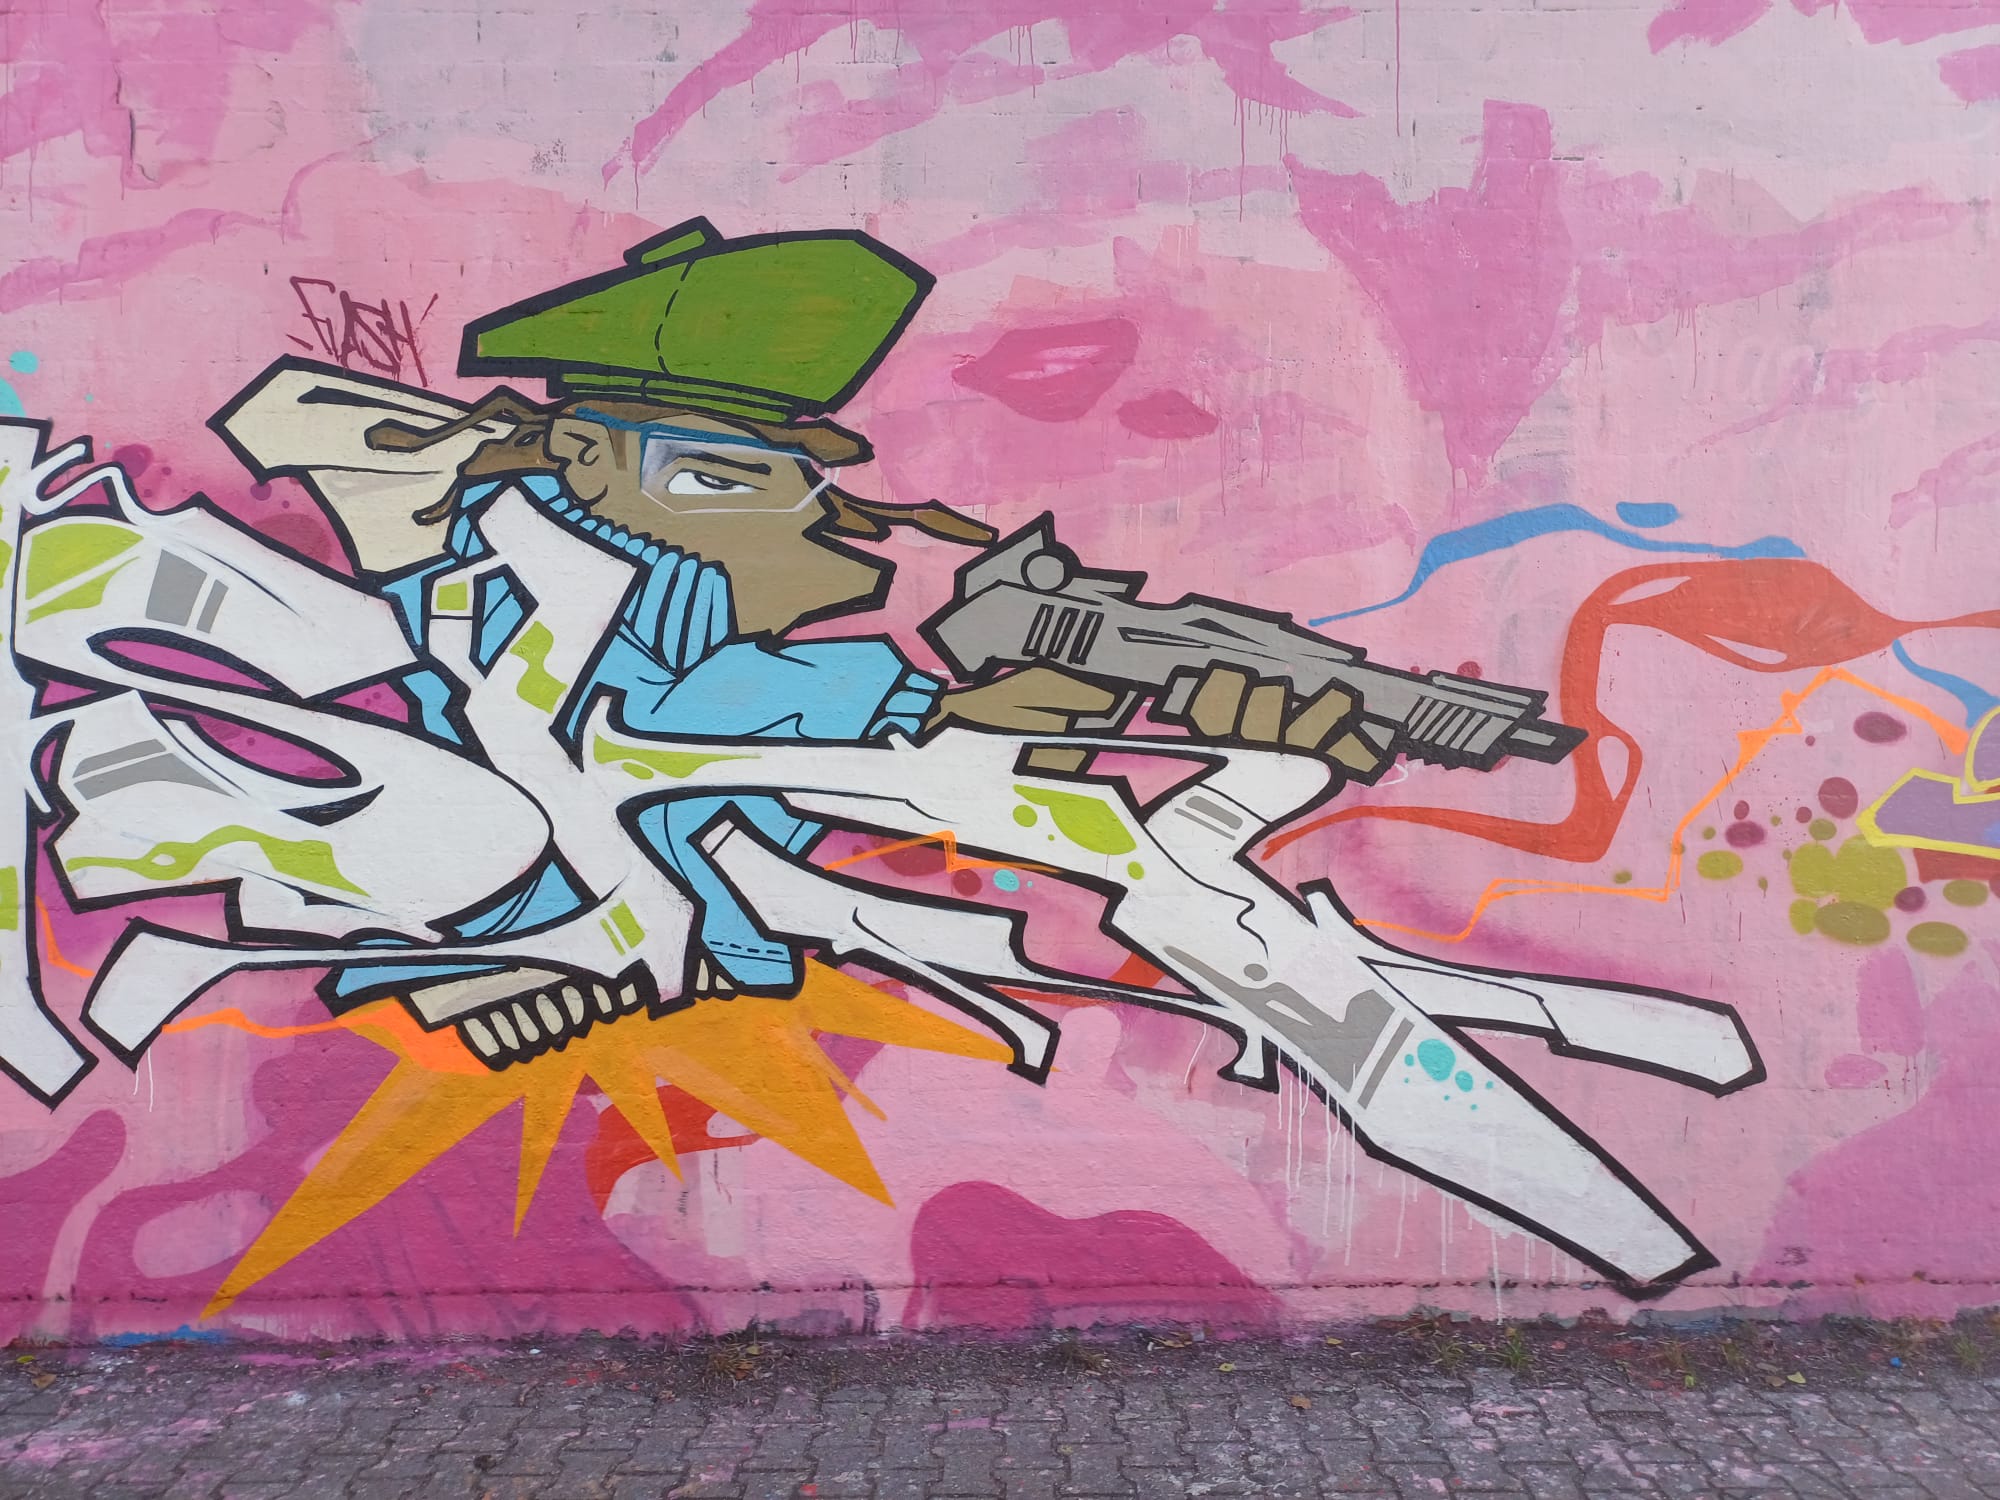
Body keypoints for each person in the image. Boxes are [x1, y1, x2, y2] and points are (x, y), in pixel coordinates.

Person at [328, 218, 1378, 1066]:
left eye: (790, 482)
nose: (772, 517)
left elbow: (793, 788)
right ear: (583, 455)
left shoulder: (683, 596)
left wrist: (1199, 748)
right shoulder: (488, 584)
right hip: (515, 965)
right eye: (715, 477)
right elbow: (631, 717)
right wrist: (922, 704)